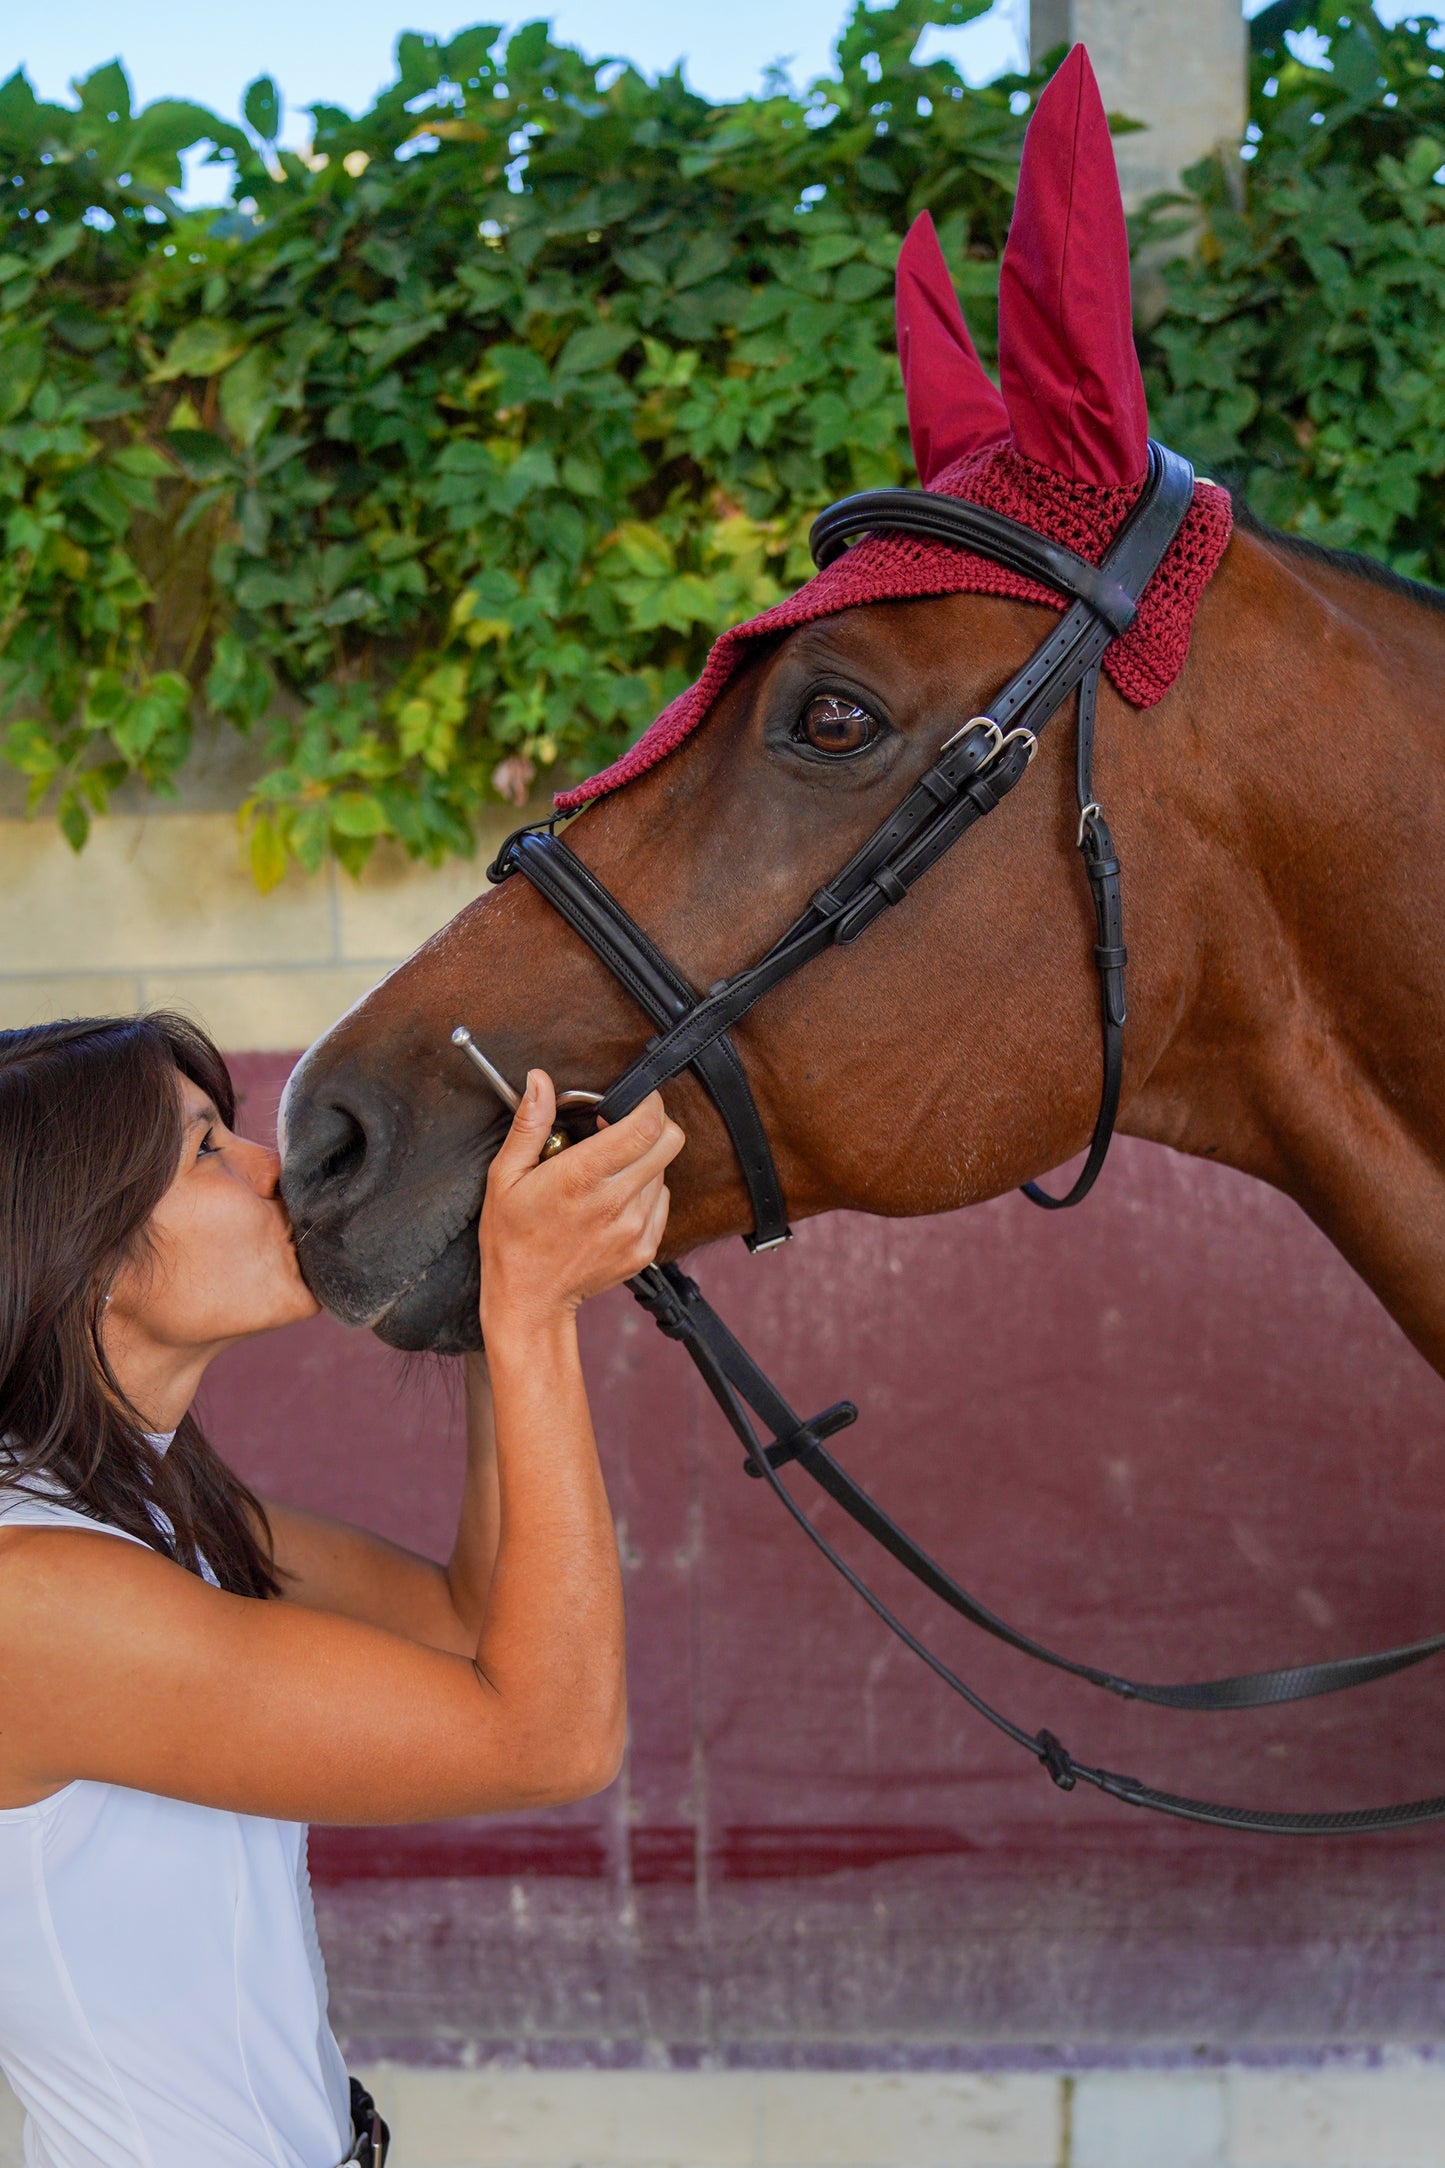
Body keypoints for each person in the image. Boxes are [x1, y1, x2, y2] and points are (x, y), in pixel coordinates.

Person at [0, 1012, 683, 2168]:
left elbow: (473, 1620)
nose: (268, 1168)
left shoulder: (153, 1516)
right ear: (86, 1250)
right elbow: (551, 1736)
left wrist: (480, 1295)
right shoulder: (37, 1595)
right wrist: (532, 1316)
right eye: (208, 1149)